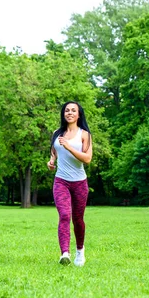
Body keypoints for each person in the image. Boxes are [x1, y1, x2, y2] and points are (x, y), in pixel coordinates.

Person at [47, 101, 93, 266]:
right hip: (61, 182)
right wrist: (51, 161)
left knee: (78, 219)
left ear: (78, 114)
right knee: (65, 215)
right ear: (63, 114)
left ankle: (80, 251)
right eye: (67, 110)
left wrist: (69, 147)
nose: (70, 113)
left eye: (73, 110)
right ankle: (64, 253)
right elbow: (54, 152)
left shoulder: (84, 134)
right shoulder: (56, 133)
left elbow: (87, 159)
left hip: (80, 183)